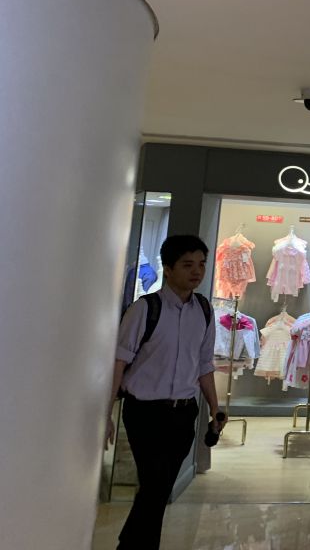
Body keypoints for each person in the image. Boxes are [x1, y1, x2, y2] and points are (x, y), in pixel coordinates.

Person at [106, 234, 226, 549]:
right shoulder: (145, 309)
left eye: (201, 264)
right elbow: (119, 362)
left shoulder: (204, 310)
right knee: (155, 485)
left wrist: (215, 409)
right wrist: (106, 414)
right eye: (187, 265)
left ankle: (131, 544)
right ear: (168, 269)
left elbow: (204, 364)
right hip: (145, 412)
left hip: (183, 413)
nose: (196, 271)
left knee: (157, 489)